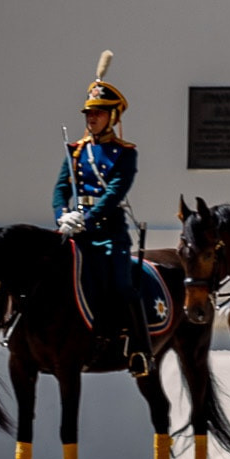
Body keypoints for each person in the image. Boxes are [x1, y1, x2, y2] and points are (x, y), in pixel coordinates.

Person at [54, 51, 152, 376]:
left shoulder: (125, 154)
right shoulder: (76, 150)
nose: (91, 119)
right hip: (74, 231)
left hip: (108, 235)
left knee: (123, 287)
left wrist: (88, 218)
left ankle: (140, 350)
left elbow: (114, 195)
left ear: (113, 116)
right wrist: (62, 215)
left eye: (98, 113)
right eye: (89, 113)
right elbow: (60, 189)